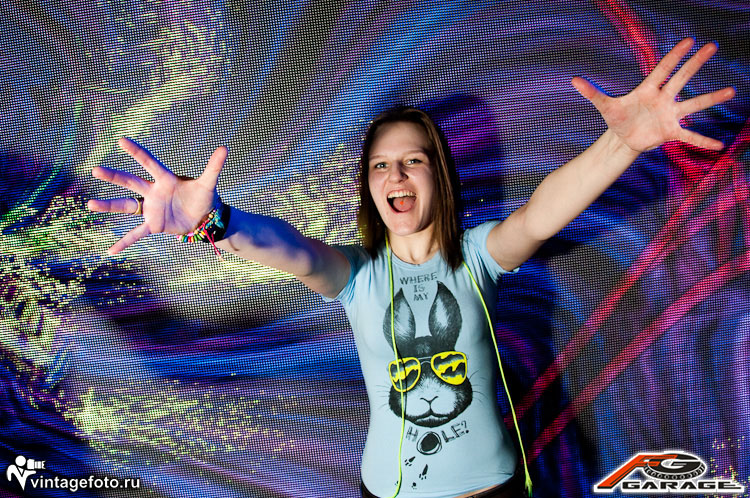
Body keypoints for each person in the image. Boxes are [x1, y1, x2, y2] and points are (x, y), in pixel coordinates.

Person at [87, 39, 734, 498]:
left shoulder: (478, 256)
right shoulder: (357, 276)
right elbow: (292, 250)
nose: (395, 173)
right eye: (380, 165)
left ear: (438, 177)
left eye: (413, 160)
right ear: (369, 188)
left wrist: (621, 141)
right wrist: (214, 221)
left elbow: (541, 214)